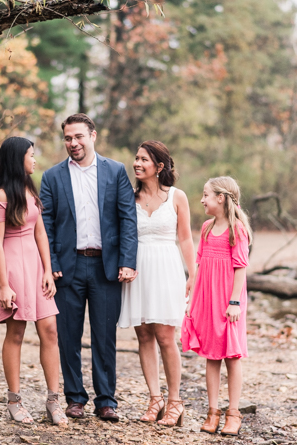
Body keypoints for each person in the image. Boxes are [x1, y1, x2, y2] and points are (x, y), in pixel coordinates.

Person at [39, 113, 138, 422]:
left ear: (93, 136)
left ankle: (106, 400)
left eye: (79, 136)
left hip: (105, 268)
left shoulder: (116, 171)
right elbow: (46, 224)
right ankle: (75, 398)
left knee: (104, 336)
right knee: (67, 335)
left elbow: (127, 219)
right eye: (68, 138)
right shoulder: (52, 177)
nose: (73, 143)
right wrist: (51, 263)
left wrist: (127, 260)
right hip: (67, 268)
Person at [0, 136, 67, 426]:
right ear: (17, 158)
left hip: (35, 267)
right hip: (13, 268)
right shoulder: (1, 196)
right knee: (16, 333)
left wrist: (48, 269)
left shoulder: (30, 190)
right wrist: (4, 284)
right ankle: (14, 401)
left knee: (50, 330)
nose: (35, 160)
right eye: (31, 155)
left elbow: (40, 233)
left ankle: (54, 400)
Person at [117, 141, 196, 427]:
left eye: (143, 160)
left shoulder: (177, 196)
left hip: (166, 267)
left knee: (165, 336)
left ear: (159, 166)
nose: (137, 164)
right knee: (144, 336)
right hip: (138, 269)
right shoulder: (129, 197)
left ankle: (175, 401)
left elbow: (185, 238)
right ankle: (155, 398)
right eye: (135, 158)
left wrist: (193, 275)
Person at [180, 176, 252, 436]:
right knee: (212, 355)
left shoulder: (237, 230)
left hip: (229, 301)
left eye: (206, 195)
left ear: (221, 198)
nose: (202, 200)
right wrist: (193, 295)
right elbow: (199, 264)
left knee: (231, 356)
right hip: (208, 299)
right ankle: (213, 412)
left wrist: (234, 302)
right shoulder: (207, 228)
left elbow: (240, 268)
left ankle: (233, 413)